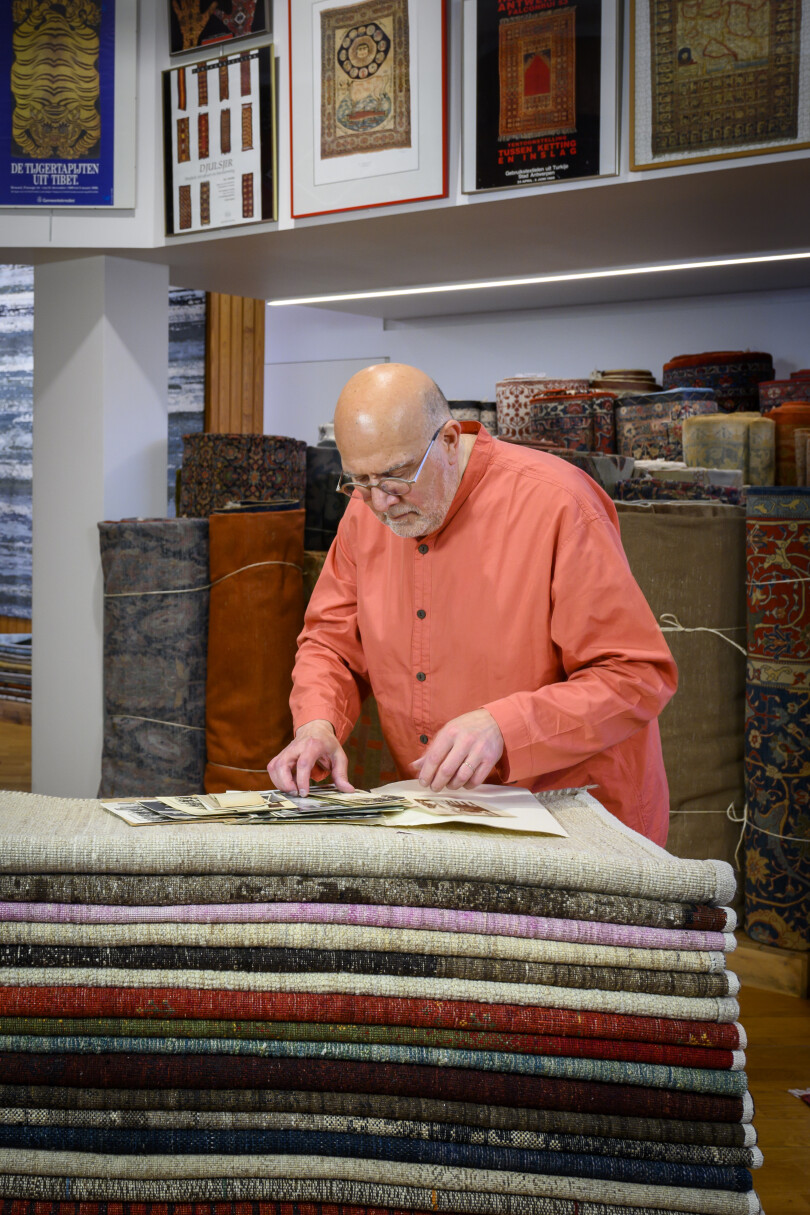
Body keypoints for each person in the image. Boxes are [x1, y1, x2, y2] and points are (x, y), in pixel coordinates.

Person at [267, 364, 678, 844]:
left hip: (581, 815)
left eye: (396, 478)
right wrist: (317, 724)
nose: (379, 503)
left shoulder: (560, 504)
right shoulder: (366, 513)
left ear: (446, 440)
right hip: (446, 813)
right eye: (359, 481)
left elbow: (637, 677)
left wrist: (505, 727)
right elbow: (331, 643)